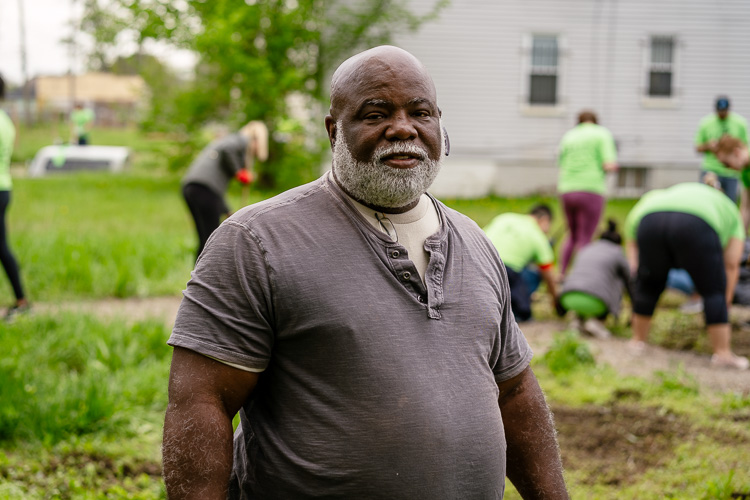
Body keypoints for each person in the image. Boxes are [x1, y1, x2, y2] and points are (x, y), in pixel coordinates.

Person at [163, 46, 569, 499]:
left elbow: (514, 394)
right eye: (376, 114)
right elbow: (201, 402)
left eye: (421, 112)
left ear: (440, 126)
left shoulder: (475, 243)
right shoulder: (255, 242)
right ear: (334, 131)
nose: (403, 127)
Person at [624, 182, 749, 370]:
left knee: (649, 285)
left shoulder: (657, 195)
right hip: (696, 223)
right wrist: (725, 300)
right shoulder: (728, 207)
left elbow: (631, 238)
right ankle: (722, 353)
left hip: (650, 218)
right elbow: (731, 265)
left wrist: (637, 271)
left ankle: (637, 342)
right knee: (713, 289)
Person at [181, 121, 268, 261]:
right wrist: (240, 172)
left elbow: (214, 190)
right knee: (210, 240)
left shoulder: (231, 141)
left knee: (205, 239)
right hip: (203, 189)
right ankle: (206, 278)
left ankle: (197, 276)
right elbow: (227, 150)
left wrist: (227, 211)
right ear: (257, 139)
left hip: (192, 188)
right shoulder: (240, 141)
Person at [556, 110, 618, 275]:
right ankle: (582, 275)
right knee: (586, 237)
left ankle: (561, 274)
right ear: (596, 121)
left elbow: (561, 162)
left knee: (572, 234)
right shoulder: (602, 134)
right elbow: (609, 164)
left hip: (567, 189)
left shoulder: (569, 136)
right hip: (590, 188)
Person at [484, 204, 560, 322]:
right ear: (544, 220)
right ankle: (517, 310)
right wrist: (556, 301)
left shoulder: (504, 218)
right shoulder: (538, 235)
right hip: (507, 272)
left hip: (480, 265)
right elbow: (548, 273)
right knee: (534, 273)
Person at [558, 219, 632, 339]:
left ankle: (577, 320)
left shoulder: (586, 249)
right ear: (618, 243)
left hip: (568, 298)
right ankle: (597, 320)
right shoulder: (617, 253)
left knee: (590, 277)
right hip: (596, 302)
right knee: (616, 279)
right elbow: (630, 281)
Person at [0, 75, 30, 321]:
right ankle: (21, 300)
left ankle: (22, 301)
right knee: (2, 247)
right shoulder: (6, 121)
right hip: (4, 187)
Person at [695, 96, 748, 203]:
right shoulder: (706, 123)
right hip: (711, 169)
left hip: (731, 173)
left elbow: (745, 145)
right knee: (706, 201)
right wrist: (708, 146)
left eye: (724, 111)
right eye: (720, 111)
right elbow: (698, 147)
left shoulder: (740, 123)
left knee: (729, 203)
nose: (722, 113)